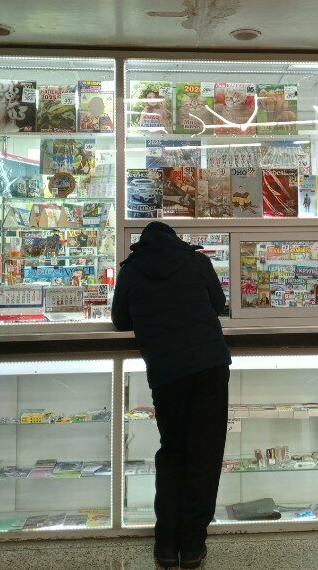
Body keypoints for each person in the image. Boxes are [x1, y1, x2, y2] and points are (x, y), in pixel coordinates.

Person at [112, 221, 230, 570]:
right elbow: (218, 303)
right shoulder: (197, 261)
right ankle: (192, 546)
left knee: (173, 453)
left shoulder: (131, 270)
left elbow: (120, 320)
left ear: (142, 244)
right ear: (176, 240)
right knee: (205, 455)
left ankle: (166, 545)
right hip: (209, 366)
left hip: (166, 373)